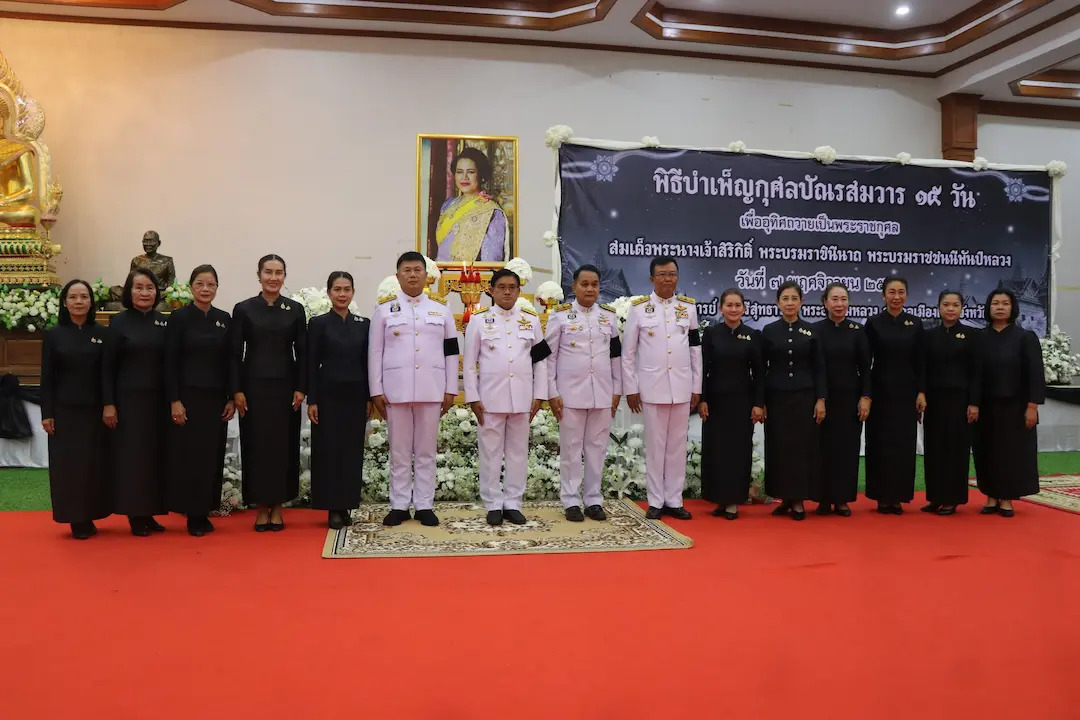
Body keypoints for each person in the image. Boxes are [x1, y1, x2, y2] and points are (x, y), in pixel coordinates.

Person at [369, 251, 459, 527]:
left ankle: (423, 504)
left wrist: (451, 389)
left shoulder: (441, 309)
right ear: (398, 276)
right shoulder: (384, 310)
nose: (412, 275)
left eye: (417, 270)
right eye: (406, 270)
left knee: (426, 450)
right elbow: (375, 352)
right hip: (396, 391)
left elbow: (452, 351)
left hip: (432, 390)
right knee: (398, 450)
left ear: (426, 275)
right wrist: (376, 390)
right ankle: (398, 504)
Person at [464, 269, 547, 525]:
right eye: (502, 287)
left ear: (519, 291)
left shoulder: (531, 320)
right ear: (491, 290)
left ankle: (513, 502)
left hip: (522, 397)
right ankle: (492, 503)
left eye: (512, 287)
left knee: (518, 452)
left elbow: (541, 361)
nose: (507, 291)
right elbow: (468, 364)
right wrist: (472, 397)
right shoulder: (478, 321)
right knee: (490, 451)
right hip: (490, 398)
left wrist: (540, 394)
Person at [230, 254, 307, 532]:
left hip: (286, 389)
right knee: (257, 446)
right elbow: (235, 353)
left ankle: (279, 505)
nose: (273, 278)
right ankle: (262, 507)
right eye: (268, 272)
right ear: (259, 275)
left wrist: (301, 387)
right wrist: (236, 389)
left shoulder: (295, 309)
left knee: (282, 447)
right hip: (253, 389)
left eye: (279, 273)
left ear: (285, 276)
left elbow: (303, 352)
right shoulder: (244, 309)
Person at [622, 256, 701, 520]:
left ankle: (674, 499)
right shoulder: (639, 309)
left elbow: (695, 351)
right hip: (651, 387)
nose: (668, 278)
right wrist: (631, 388)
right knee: (655, 446)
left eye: (673, 273)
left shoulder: (688, 308)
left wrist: (696, 386)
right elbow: (628, 353)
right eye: (662, 274)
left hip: (681, 387)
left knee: (677, 446)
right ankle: (656, 500)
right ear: (651, 278)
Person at [546, 264, 622, 522]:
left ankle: (593, 500)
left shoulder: (609, 317)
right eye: (585, 284)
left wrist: (617, 389)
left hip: (601, 392)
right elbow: (549, 357)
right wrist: (551, 391)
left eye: (594, 284)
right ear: (574, 286)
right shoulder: (560, 316)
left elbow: (616, 357)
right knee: (571, 448)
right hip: (570, 394)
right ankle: (570, 500)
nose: (590, 289)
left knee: (597, 448)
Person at [164, 265, 233, 537]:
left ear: (217, 288)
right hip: (188, 399)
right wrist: (174, 400)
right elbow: (169, 362)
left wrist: (229, 396)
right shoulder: (179, 318)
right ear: (191, 287)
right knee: (190, 457)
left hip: (215, 400)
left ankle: (206, 509)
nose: (206, 289)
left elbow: (230, 361)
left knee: (211, 456)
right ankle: (192, 514)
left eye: (211, 284)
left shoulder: (224, 319)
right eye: (200, 284)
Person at [40, 279, 110, 539]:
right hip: (64, 411)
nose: (79, 302)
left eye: (84, 297)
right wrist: (47, 412)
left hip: (95, 411)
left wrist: (109, 405)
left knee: (93, 465)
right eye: (73, 297)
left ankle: (90, 514)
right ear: (65, 302)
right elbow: (47, 376)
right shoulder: (54, 334)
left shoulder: (102, 334)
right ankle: (76, 519)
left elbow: (107, 374)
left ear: (91, 302)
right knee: (70, 467)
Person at [102, 268, 169, 536]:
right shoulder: (118, 322)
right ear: (130, 291)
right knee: (134, 459)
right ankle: (134, 513)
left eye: (149, 288)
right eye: (139, 288)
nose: (145, 293)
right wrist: (109, 403)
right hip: (129, 401)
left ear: (157, 292)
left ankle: (151, 512)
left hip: (159, 401)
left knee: (155, 457)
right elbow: (107, 367)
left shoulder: (164, 322)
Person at [973, 288, 1045, 517]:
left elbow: (1035, 374)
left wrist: (1032, 406)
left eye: (1005, 303)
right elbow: (975, 374)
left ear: (1013, 308)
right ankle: (991, 496)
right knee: (987, 452)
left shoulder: (1025, 337)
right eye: (996, 303)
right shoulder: (980, 338)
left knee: (1011, 454)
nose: (1000, 307)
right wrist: (973, 403)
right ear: (989, 307)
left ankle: (1007, 499)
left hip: (1016, 407)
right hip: (986, 407)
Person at [307, 271, 370, 530]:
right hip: (327, 396)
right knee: (329, 452)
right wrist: (313, 399)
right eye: (337, 289)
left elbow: (369, 363)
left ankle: (347, 505)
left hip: (356, 396)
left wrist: (369, 397)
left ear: (353, 292)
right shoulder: (318, 323)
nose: (342, 294)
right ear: (328, 292)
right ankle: (332, 507)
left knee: (351, 451)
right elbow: (311, 363)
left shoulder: (363, 324)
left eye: (347, 289)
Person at [761, 282, 827, 521]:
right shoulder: (769, 331)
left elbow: (820, 368)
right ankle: (784, 496)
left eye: (794, 298)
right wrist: (762, 401)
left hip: (804, 397)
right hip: (777, 397)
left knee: (801, 449)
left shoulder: (811, 331)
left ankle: (798, 499)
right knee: (779, 447)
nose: (789, 303)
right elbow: (761, 369)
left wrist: (821, 399)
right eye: (785, 298)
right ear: (778, 302)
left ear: (801, 302)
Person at [697, 288, 764, 520]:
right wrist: (702, 398)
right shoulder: (712, 334)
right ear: (720, 308)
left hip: (742, 403)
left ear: (744, 308)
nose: (733, 309)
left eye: (738, 305)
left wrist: (758, 403)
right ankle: (718, 498)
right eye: (729, 305)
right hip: (715, 402)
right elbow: (703, 369)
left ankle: (734, 500)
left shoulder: (753, 335)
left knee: (738, 451)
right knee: (716, 451)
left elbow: (759, 374)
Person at [864, 277, 926, 515]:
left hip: (906, 393)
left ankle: (898, 497)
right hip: (880, 392)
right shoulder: (873, 323)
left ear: (906, 296)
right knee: (879, 444)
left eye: (901, 292)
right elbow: (866, 361)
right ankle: (881, 496)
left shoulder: (915, 324)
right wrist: (867, 394)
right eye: (891, 292)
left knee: (903, 445)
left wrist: (921, 392)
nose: (896, 296)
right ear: (883, 295)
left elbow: (921, 362)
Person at [812, 282, 870, 517]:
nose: (839, 304)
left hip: (850, 399)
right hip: (822, 399)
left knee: (847, 448)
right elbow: (816, 368)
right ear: (825, 302)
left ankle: (843, 499)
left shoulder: (858, 330)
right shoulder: (815, 330)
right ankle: (824, 498)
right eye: (834, 299)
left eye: (843, 299)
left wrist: (866, 397)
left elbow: (866, 368)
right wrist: (820, 398)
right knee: (822, 448)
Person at [922, 290, 980, 516]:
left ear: (961, 308)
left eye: (955, 305)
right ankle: (935, 496)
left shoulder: (970, 335)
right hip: (934, 401)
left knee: (955, 450)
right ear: (938, 307)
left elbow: (976, 372)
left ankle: (952, 499)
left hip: (960, 402)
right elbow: (923, 369)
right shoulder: (929, 336)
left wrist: (974, 402)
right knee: (934, 448)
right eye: (946, 304)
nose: (950, 309)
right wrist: (922, 394)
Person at [434, 148, 508, 263]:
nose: (464, 177)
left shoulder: (491, 211)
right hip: (442, 275)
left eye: (471, 172)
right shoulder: (448, 205)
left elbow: (491, 260)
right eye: (459, 172)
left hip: (472, 278)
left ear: (481, 175)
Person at [129, 230, 176, 302]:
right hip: (140, 293)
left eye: (151, 241)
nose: (148, 244)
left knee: (168, 296)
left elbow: (171, 283)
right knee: (114, 290)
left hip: (159, 294)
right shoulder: (136, 260)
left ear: (159, 243)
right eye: (145, 241)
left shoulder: (167, 261)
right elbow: (131, 283)